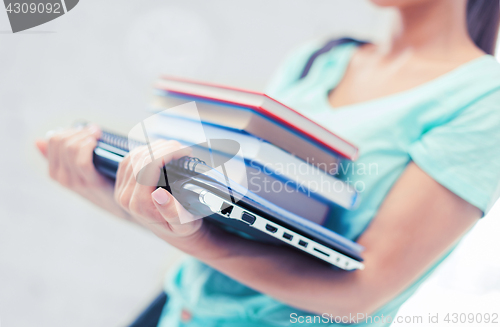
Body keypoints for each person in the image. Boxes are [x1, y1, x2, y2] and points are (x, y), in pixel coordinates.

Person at [36, 0, 500, 326]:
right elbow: (229, 219)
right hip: (179, 312)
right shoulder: (319, 60)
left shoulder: (485, 98)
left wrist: (194, 239)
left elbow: (363, 294)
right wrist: (113, 189)